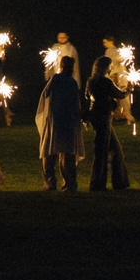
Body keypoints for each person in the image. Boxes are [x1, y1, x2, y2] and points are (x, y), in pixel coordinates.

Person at [38, 52, 83, 190]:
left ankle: (53, 182)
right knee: (63, 152)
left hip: (57, 120)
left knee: (53, 151)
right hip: (62, 120)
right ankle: (68, 183)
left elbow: (46, 94)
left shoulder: (59, 80)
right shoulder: (67, 81)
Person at [85, 53, 131, 189]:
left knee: (114, 149)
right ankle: (98, 184)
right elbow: (120, 94)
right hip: (103, 117)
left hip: (95, 117)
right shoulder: (106, 81)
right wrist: (128, 89)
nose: (111, 69)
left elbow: (87, 97)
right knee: (102, 151)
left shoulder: (91, 81)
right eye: (110, 67)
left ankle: (119, 182)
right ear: (105, 68)